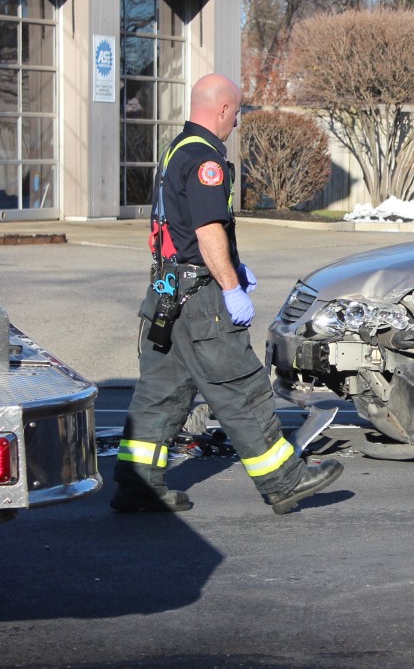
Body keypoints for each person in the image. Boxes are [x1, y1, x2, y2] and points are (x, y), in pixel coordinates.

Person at [111, 73, 344, 515]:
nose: (236, 122)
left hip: (167, 295)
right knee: (240, 387)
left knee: (160, 393)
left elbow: (178, 229)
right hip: (200, 304)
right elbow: (206, 228)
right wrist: (231, 285)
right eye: (235, 113)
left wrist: (232, 265)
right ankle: (285, 481)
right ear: (221, 109)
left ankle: (137, 483)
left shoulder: (175, 151)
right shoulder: (205, 160)